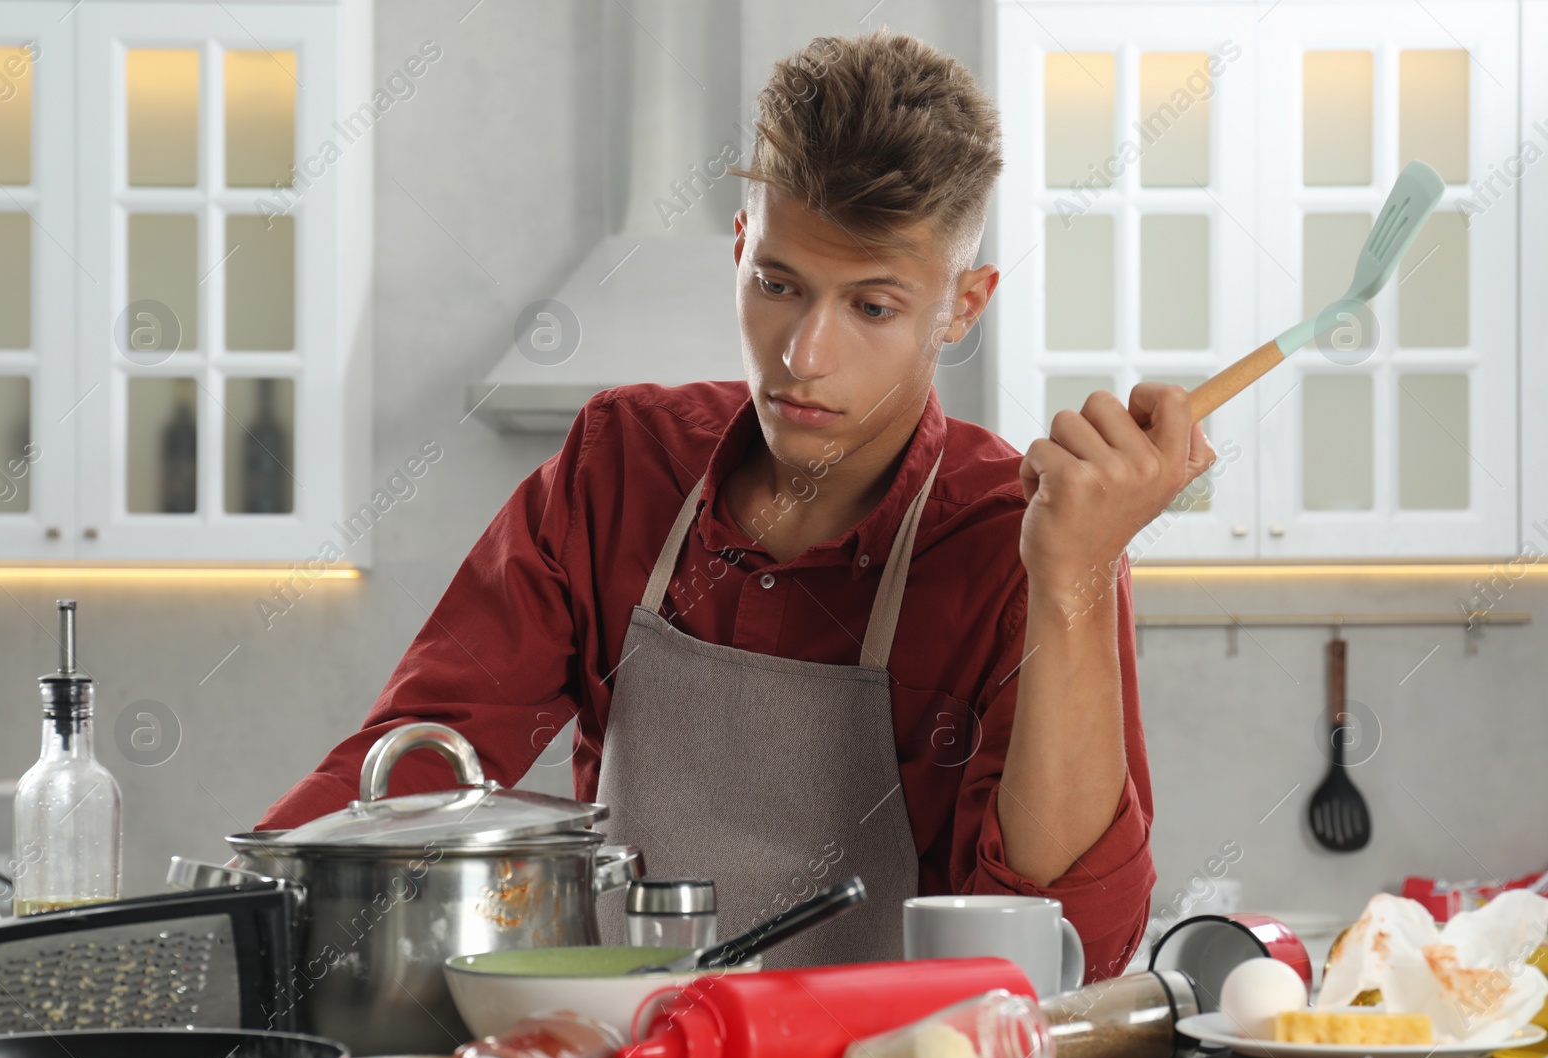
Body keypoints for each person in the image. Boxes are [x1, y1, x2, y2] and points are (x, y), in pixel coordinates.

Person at [257, 27, 1216, 982]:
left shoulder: (1016, 539)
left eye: (872, 307)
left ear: (962, 305)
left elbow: (1068, 939)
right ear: (739, 245)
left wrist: (1077, 580)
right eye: (778, 283)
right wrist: (253, 906)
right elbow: (426, 764)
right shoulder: (619, 465)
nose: (803, 355)